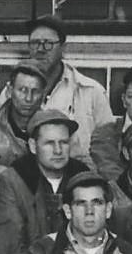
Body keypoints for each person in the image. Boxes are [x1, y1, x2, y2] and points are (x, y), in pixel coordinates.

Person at [0, 106, 95, 244]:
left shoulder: (84, 179)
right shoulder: (11, 181)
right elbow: (12, 244)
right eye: (49, 143)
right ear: (33, 146)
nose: (58, 150)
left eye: (63, 142)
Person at [26, 15, 110, 158]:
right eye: (35, 43)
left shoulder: (91, 92)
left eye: (48, 43)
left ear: (63, 48)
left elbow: (108, 148)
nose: (40, 49)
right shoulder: (13, 93)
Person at [0, 64, 51, 166]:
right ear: (10, 91)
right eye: (22, 90)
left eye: (35, 91)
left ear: (43, 95)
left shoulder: (53, 131)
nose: (29, 98)